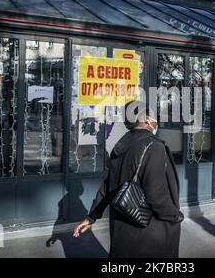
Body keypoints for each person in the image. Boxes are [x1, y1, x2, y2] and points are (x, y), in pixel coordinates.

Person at [73, 101, 184, 258]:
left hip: (122, 231)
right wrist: (175, 215)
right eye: (154, 117)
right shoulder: (154, 146)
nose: (156, 121)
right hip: (150, 234)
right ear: (146, 120)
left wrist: (92, 216)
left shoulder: (120, 145)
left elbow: (108, 186)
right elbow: (156, 195)